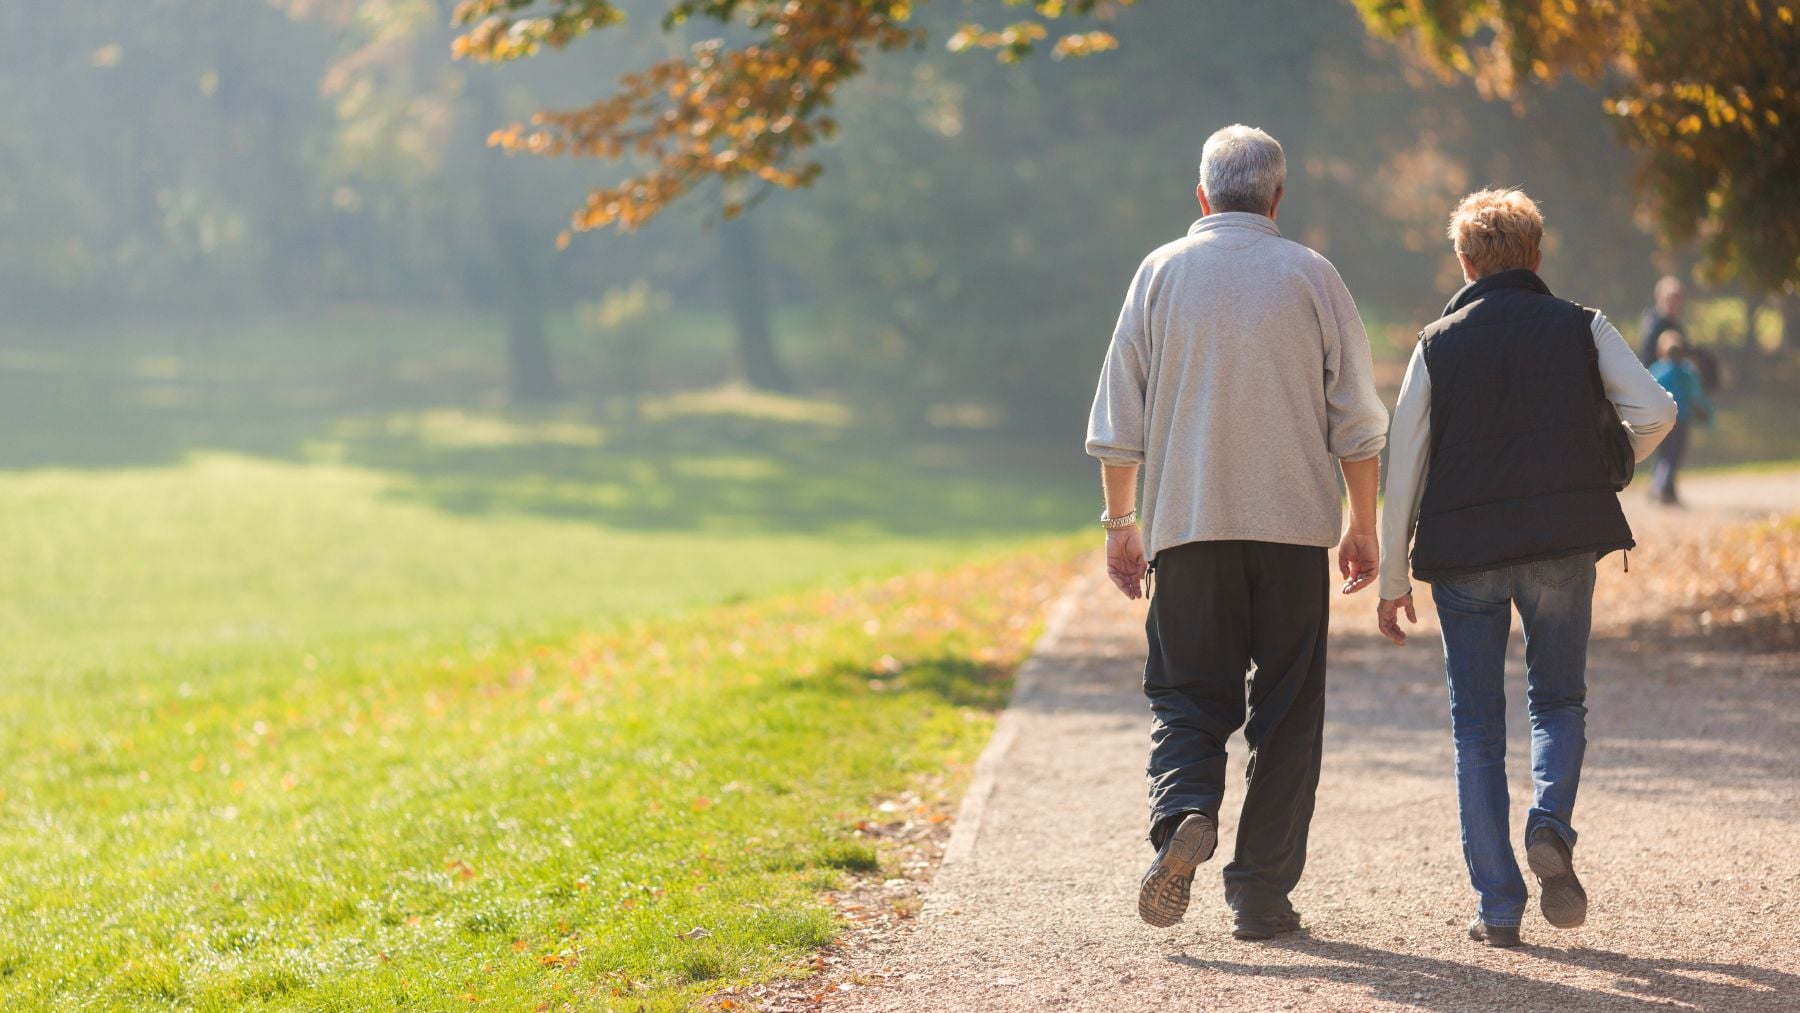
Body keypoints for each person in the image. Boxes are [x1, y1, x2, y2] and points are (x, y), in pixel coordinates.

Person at [1085, 124, 1389, 942]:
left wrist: (1122, 524)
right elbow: (1358, 423)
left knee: (1188, 693)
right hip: (1293, 537)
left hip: (1188, 531)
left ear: (1202, 195)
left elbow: (1121, 421)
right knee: (1287, 715)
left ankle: (1184, 811)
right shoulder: (1313, 275)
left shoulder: (1159, 273)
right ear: (1277, 197)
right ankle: (1259, 895)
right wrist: (1364, 525)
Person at [1376, 189, 1676, 948]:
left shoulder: (1435, 343)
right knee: (1559, 701)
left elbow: (1403, 461)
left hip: (1465, 557)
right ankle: (1550, 826)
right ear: (1537, 256)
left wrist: (1391, 575)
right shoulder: (1583, 326)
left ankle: (1499, 907)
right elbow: (1658, 411)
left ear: (1465, 261)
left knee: (1476, 727)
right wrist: (1606, 464)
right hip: (1563, 541)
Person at [1648, 330, 1715, 506]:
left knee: (1664, 455)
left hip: (1662, 420)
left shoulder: (1657, 370)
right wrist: (1707, 413)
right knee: (1673, 456)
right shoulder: (1687, 371)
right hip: (1682, 420)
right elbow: (1696, 395)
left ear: (1661, 350)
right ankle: (1661, 488)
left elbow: (1648, 393)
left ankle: (1664, 489)